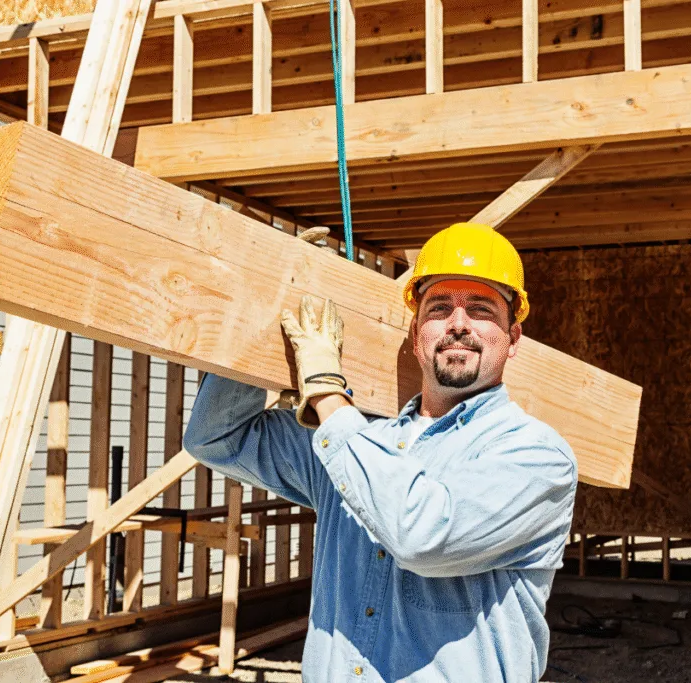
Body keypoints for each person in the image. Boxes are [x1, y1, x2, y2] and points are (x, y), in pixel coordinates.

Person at [183, 222, 578, 682]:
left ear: (513, 338)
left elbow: (422, 535)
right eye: (440, 307)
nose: (458, 323)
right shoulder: (359, 441)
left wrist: (327, 393)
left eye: (481, 308)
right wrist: (268, 297)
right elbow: (216, 437)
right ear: (415, 335)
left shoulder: (537, 457)